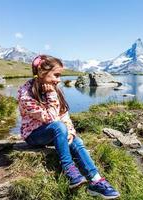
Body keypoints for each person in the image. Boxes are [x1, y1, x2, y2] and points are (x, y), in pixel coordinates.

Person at [17, 55, 120, 199]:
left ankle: (96, 181)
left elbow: (64, 114)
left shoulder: (54, 88)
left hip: (55, 132)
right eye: (56, 75)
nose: (59, 80)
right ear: (41, 72)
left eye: (60, 76)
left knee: (76, 141)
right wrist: (51, 94)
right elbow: (50, 119)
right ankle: (69, 170)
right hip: (34, 135)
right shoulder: (26, 94)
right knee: (58, 127)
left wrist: (71, 131)